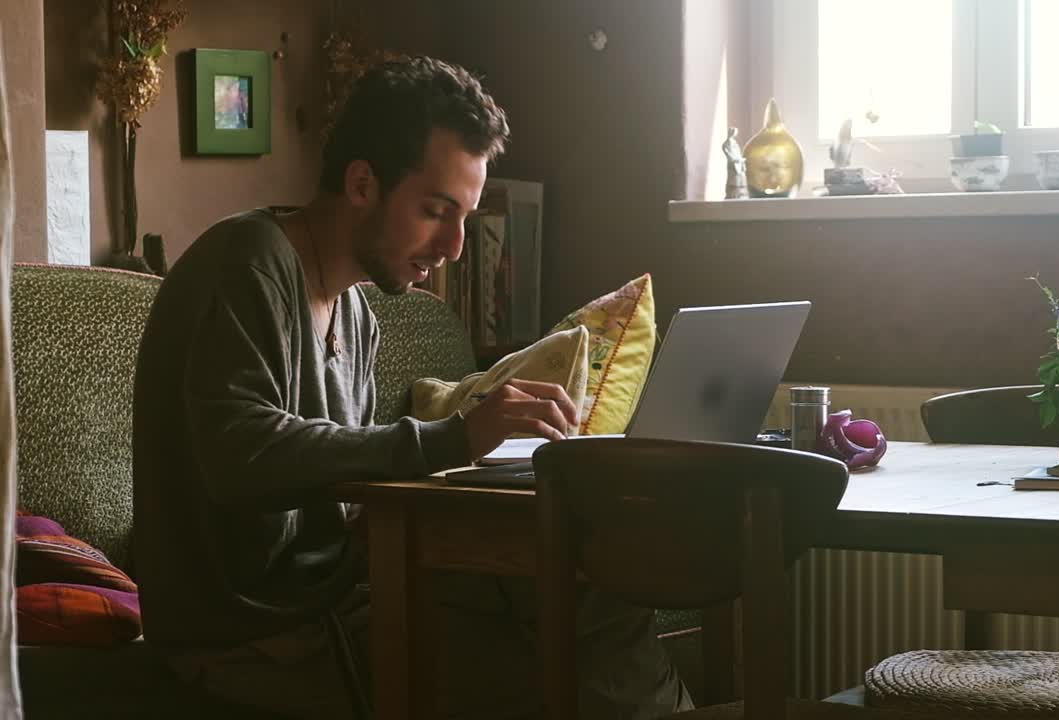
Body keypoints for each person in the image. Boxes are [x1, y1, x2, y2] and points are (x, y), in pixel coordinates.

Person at [132, 56, 692, 719]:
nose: (456, 245)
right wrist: (455, 436)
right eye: (435, 211)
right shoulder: (245, 265)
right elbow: (237, 457)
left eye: (464, 216)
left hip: (339, 598)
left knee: (596, 597)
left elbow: (341, 494)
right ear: (363, 184)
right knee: (563, 671)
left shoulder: (359, 314)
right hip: (252, 636)